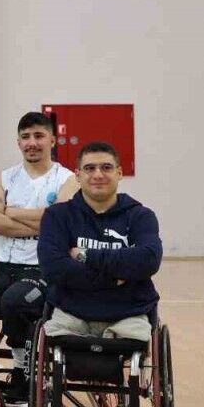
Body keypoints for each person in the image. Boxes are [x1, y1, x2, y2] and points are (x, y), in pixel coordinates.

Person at [0, 111, 79, 401]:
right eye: (25, 137)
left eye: (39, 136)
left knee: (15, 302)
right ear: (18, 142)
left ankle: (22, 372)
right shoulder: (3, 178)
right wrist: (44, 222)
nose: (32, 142)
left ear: (53, 140)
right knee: (8, 302)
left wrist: (9, 211)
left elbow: (60, 222)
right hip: (5, 268)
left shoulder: (68, 179)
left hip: (43, 271)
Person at [38, 142, 161, 343]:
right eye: (89, 168)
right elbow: (53, 267)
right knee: (56, 341)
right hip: (71, 312)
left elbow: (148, 259)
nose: (98, 175)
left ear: (119, 173)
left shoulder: (140, 216)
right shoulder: (57, 215)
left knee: (137, 343)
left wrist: (85, 255)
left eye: (106, 167)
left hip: (129, 313)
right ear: (78, 175)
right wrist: (113, 279)